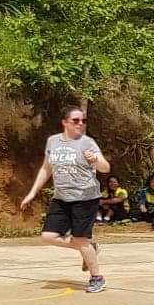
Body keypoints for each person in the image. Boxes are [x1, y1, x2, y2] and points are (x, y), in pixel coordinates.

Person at [19, 107, 110, 294]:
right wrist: (33, 192)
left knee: (80, 238)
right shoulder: (53, 141)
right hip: (61, 197)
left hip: (85, 197)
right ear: (64, 122)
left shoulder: (87, 142)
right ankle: (89, 248)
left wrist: (95, 160)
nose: (80, 124)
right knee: (48, 236)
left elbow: (105, 168)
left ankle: (97, 278)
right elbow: (46, 168)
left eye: (83, 121)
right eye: (75, 120)